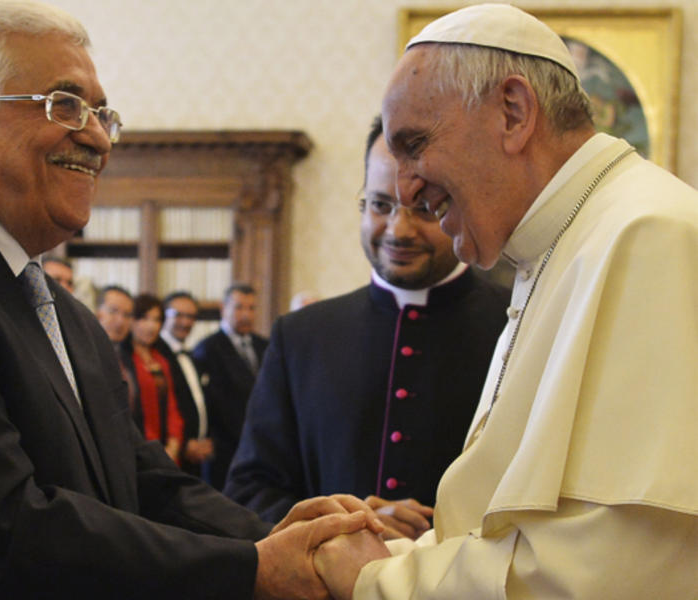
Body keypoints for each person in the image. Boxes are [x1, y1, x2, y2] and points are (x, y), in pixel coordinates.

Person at [0, 2, 383, 598]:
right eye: (65, 104)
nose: (100, 137)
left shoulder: (63, 312)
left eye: (103, 114)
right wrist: (251, 570)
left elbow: (140, 480)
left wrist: (277, 536)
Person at [313, 4, 698, 599]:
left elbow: (613, 570)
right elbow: (505, 529)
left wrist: (376, 579)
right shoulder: (557, 246)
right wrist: (390, 551)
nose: (407, 185)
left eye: (415, 145)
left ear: (513, 113)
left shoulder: (648, 236)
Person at [225, 116, 508, 539]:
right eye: (380, 205)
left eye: (425, 209)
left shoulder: (517, 326)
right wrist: (343, 526)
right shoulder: (302, 336)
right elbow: (248, 492)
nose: (398, 230)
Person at [192, 283, 269, 490]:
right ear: (223, 308)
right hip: (224, 451)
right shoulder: (206, 349)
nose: (246, 314)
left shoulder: (265, 346)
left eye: (251, 308)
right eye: (239, 307)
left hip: (261, 447)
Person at [158, 290, 215, 476]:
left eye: (191, 316)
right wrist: (184, 444)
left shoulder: (192, 356)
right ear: (164, 315)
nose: (186, 322)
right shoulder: (156, 355)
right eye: (178, 315)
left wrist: (205, 440)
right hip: (169, 455)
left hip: (196, 459)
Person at [127, 293, 184, 463]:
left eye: (157, 320)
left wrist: (173, 445)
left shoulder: (161, 360)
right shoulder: (123, 360)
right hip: (136, 450)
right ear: (132, 320)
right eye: (144, 318)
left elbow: (172, 406)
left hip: (166, 449)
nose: (151, 326)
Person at [96, 284, 141, 416]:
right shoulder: (84, 355)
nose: (120, 321)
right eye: (113, 311)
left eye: (127, 315)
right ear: (97, 312)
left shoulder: (127, 357)